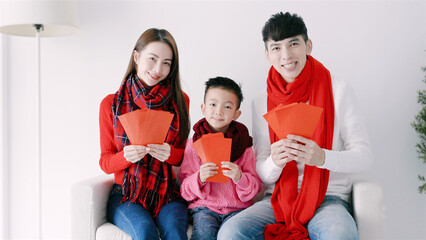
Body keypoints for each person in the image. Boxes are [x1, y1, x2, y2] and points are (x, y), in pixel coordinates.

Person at [218, 12, 373, 240]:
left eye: (293, 44)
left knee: (340, 234)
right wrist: (275, 162)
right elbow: (262, 169)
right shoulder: (261, 100)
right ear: (267, 54)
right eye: (277, 48)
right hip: (278, 199)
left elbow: (365, 157)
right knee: (231, 232)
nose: (287, 55)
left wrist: (322, 157)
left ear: (308, 45)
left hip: (328, 198)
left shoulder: (338, 90)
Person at [98, 28, 191, 240]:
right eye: (152, 59)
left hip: (167, 193)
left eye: (167, 63)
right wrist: (125, 157)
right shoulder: (111, 104)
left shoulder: (180, 100)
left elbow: (185, 156)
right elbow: (105, 162)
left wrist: (170, 154)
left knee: (176, 231)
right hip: (126, 194)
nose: (158, 69)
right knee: (144, 231)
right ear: (136, 57)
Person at [179, 77, 262, 240]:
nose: (219, 111)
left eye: (227, 106)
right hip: (204, 208)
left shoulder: (244, 146)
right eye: (213, 104)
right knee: (204, 235)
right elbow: (184, 190)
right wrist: (199, 177)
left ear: (236, 114)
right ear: (203, 108)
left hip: (238, 209)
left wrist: (240, 177)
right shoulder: (193, 144)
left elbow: (254, 188)